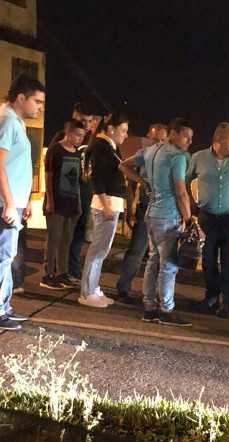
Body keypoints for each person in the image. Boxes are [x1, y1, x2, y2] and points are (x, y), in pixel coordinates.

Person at [120, 118, 193, 326]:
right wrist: (188, 219)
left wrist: (142, 181)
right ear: (174, 133)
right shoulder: (177, 157)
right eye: (186, 136)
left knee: (153, 261)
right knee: (168, 265)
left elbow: (123, 165)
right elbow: (181, 192)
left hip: (151, 214)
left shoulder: (150, 151)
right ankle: (166, 310)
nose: (189, 141)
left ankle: (149, 307)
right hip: (168, 215)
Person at [187, 122, 229, 318]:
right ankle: (211, 296)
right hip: (207, 217)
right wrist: (191, 203)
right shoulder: (199, 157)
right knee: (207, 259)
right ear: (219, 140)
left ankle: (228, 301)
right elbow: (185, 179)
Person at [0, 75, 46, 330]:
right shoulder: (7, 121)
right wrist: (8, 202)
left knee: (7, 256)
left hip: (14, 201)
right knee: (3, 256)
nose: (40, 107)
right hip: (5, 202)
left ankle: (4, 307)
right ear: (21, 98)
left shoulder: (15, 121)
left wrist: (24, 200)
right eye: (37, 101)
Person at [78, 112, 131, 308]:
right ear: (111, 129)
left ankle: (93, 288)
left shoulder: (109, 146)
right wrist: (106, 204)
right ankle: (87, 292)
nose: (125, 135)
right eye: (123, 130)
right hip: (105, 203)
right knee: (98, 250)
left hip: (110, 202)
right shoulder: (101, 147)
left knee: (102, 250)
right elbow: (96, 177)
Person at [116, 123, 169, 302]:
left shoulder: (171, 156)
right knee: (137, 250)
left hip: (165, 211)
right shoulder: (144, 154)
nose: (159, 143)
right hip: (145, 208)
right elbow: (124, 168)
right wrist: (141, 182)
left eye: (163, 139)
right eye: (155, 139)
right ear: (148, 138)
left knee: (160, 255)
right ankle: (123, 288)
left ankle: (155, 294)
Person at [40, 120, 87, 290]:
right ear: (68, 132)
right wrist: (50, 201)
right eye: (77, 135)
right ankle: (47, 275)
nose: (80, 139)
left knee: (66, 241)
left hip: (72, 203)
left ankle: (62, 272)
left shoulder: (76, 152)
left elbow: (78, 181)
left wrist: (79, 204)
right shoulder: (55, 150)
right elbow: (49, 176)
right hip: (57, 202)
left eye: (83, 136)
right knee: (54, 240)